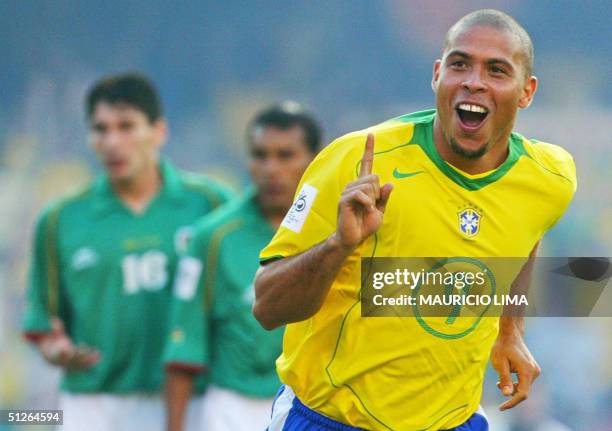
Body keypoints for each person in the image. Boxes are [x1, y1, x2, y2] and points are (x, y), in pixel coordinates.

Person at [254, 9, 576, 431]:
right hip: (330, 420)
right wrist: (339, 244)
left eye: (497, 70)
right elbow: (267, 307)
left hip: (453, 422)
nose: (474, 82)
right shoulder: (355, 160)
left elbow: (527, 230)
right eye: (460, 65)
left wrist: (510, 328)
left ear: (526, 91)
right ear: (437, 75)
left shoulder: (549, 178)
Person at [22, 73, 234, 431]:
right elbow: (44, 323)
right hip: (94, 402)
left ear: (159, 131)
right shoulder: (60, 219)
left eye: (126, 126)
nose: (112, 142)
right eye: (100, 129)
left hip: (192, 398)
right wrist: (55, 350)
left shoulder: (210, 203)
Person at [163, 102, 321, 431]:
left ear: (316, 159)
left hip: (314, 405)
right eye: (259, 155)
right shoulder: (212, 237)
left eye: (285, 155)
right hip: (233, 408)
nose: (270, 169)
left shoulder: (339, 232)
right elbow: (183, 351)